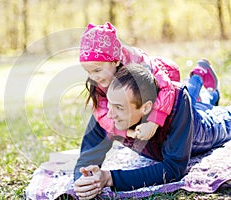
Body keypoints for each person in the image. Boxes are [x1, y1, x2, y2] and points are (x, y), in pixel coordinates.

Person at [73, 62, 231, 199]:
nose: (110, 114)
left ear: (146, 108)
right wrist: (85, 180)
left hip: (200, 131)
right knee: (200, 101)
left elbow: (173, 168)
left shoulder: (178, 105)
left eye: (119, 108)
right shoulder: (109, 112)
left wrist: (110, 178)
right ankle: (211, 94)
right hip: (184, 111)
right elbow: (88, 157)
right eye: (110, 104)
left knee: (225, 119)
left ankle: (206, 91)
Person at [79, 22, 181, 142]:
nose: (93, 77)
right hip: (138, 100)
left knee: (181, 97)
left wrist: (154, 121)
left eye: (97, 70)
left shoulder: (140, 65)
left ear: (115, 61)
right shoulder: (99, 82)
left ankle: (198, 77)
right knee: (96, 119)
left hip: (169, 75)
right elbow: (102, 114)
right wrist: (127, 132)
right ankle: (87, 160)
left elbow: (167, 88)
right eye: (88, 71)